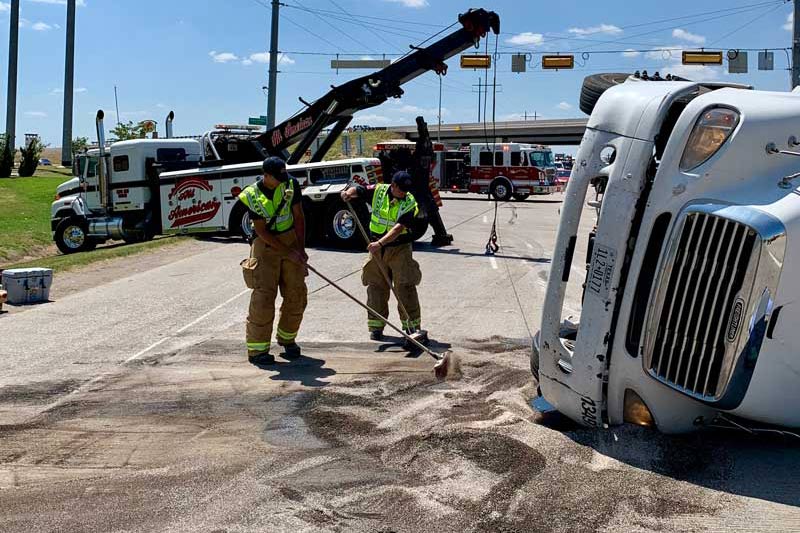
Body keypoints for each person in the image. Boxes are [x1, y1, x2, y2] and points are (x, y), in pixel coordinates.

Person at [238, 156, 308, 366]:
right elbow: (261, 231)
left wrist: (300, 249)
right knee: (263, 297)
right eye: (276, 177)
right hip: (265, 245)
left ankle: (287, 339)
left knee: (296, 294)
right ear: (265, 175)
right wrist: (288, 252)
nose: (281, 180)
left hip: (290, 240)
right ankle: (258, 350)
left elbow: (299, 216)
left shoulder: (290, 183)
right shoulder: (251, 196)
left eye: (282, 175)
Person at [340, 171, 422, 343]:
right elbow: (360, 190)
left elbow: (398, 228)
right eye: (402, 190)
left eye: (407, 190)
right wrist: (348, 193)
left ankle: (411, 326)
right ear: (393, 186)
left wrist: (380, 243)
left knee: (404, 286)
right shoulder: (379, 191)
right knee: (376, 286)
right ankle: (376, 326)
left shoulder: (410, 202)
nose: (405, 193)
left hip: (399, 248)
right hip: (377, 248)